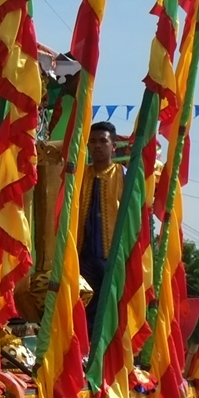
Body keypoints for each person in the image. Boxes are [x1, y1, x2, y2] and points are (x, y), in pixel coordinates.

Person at [78, 122, 125, 332]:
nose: (97, 146)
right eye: (93, 142)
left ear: (113, 146)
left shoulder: (123, 175)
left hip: (111, 256)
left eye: (103, 141)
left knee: (110, 308)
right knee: (83, 305)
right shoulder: (81, 175)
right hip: (83, 255)